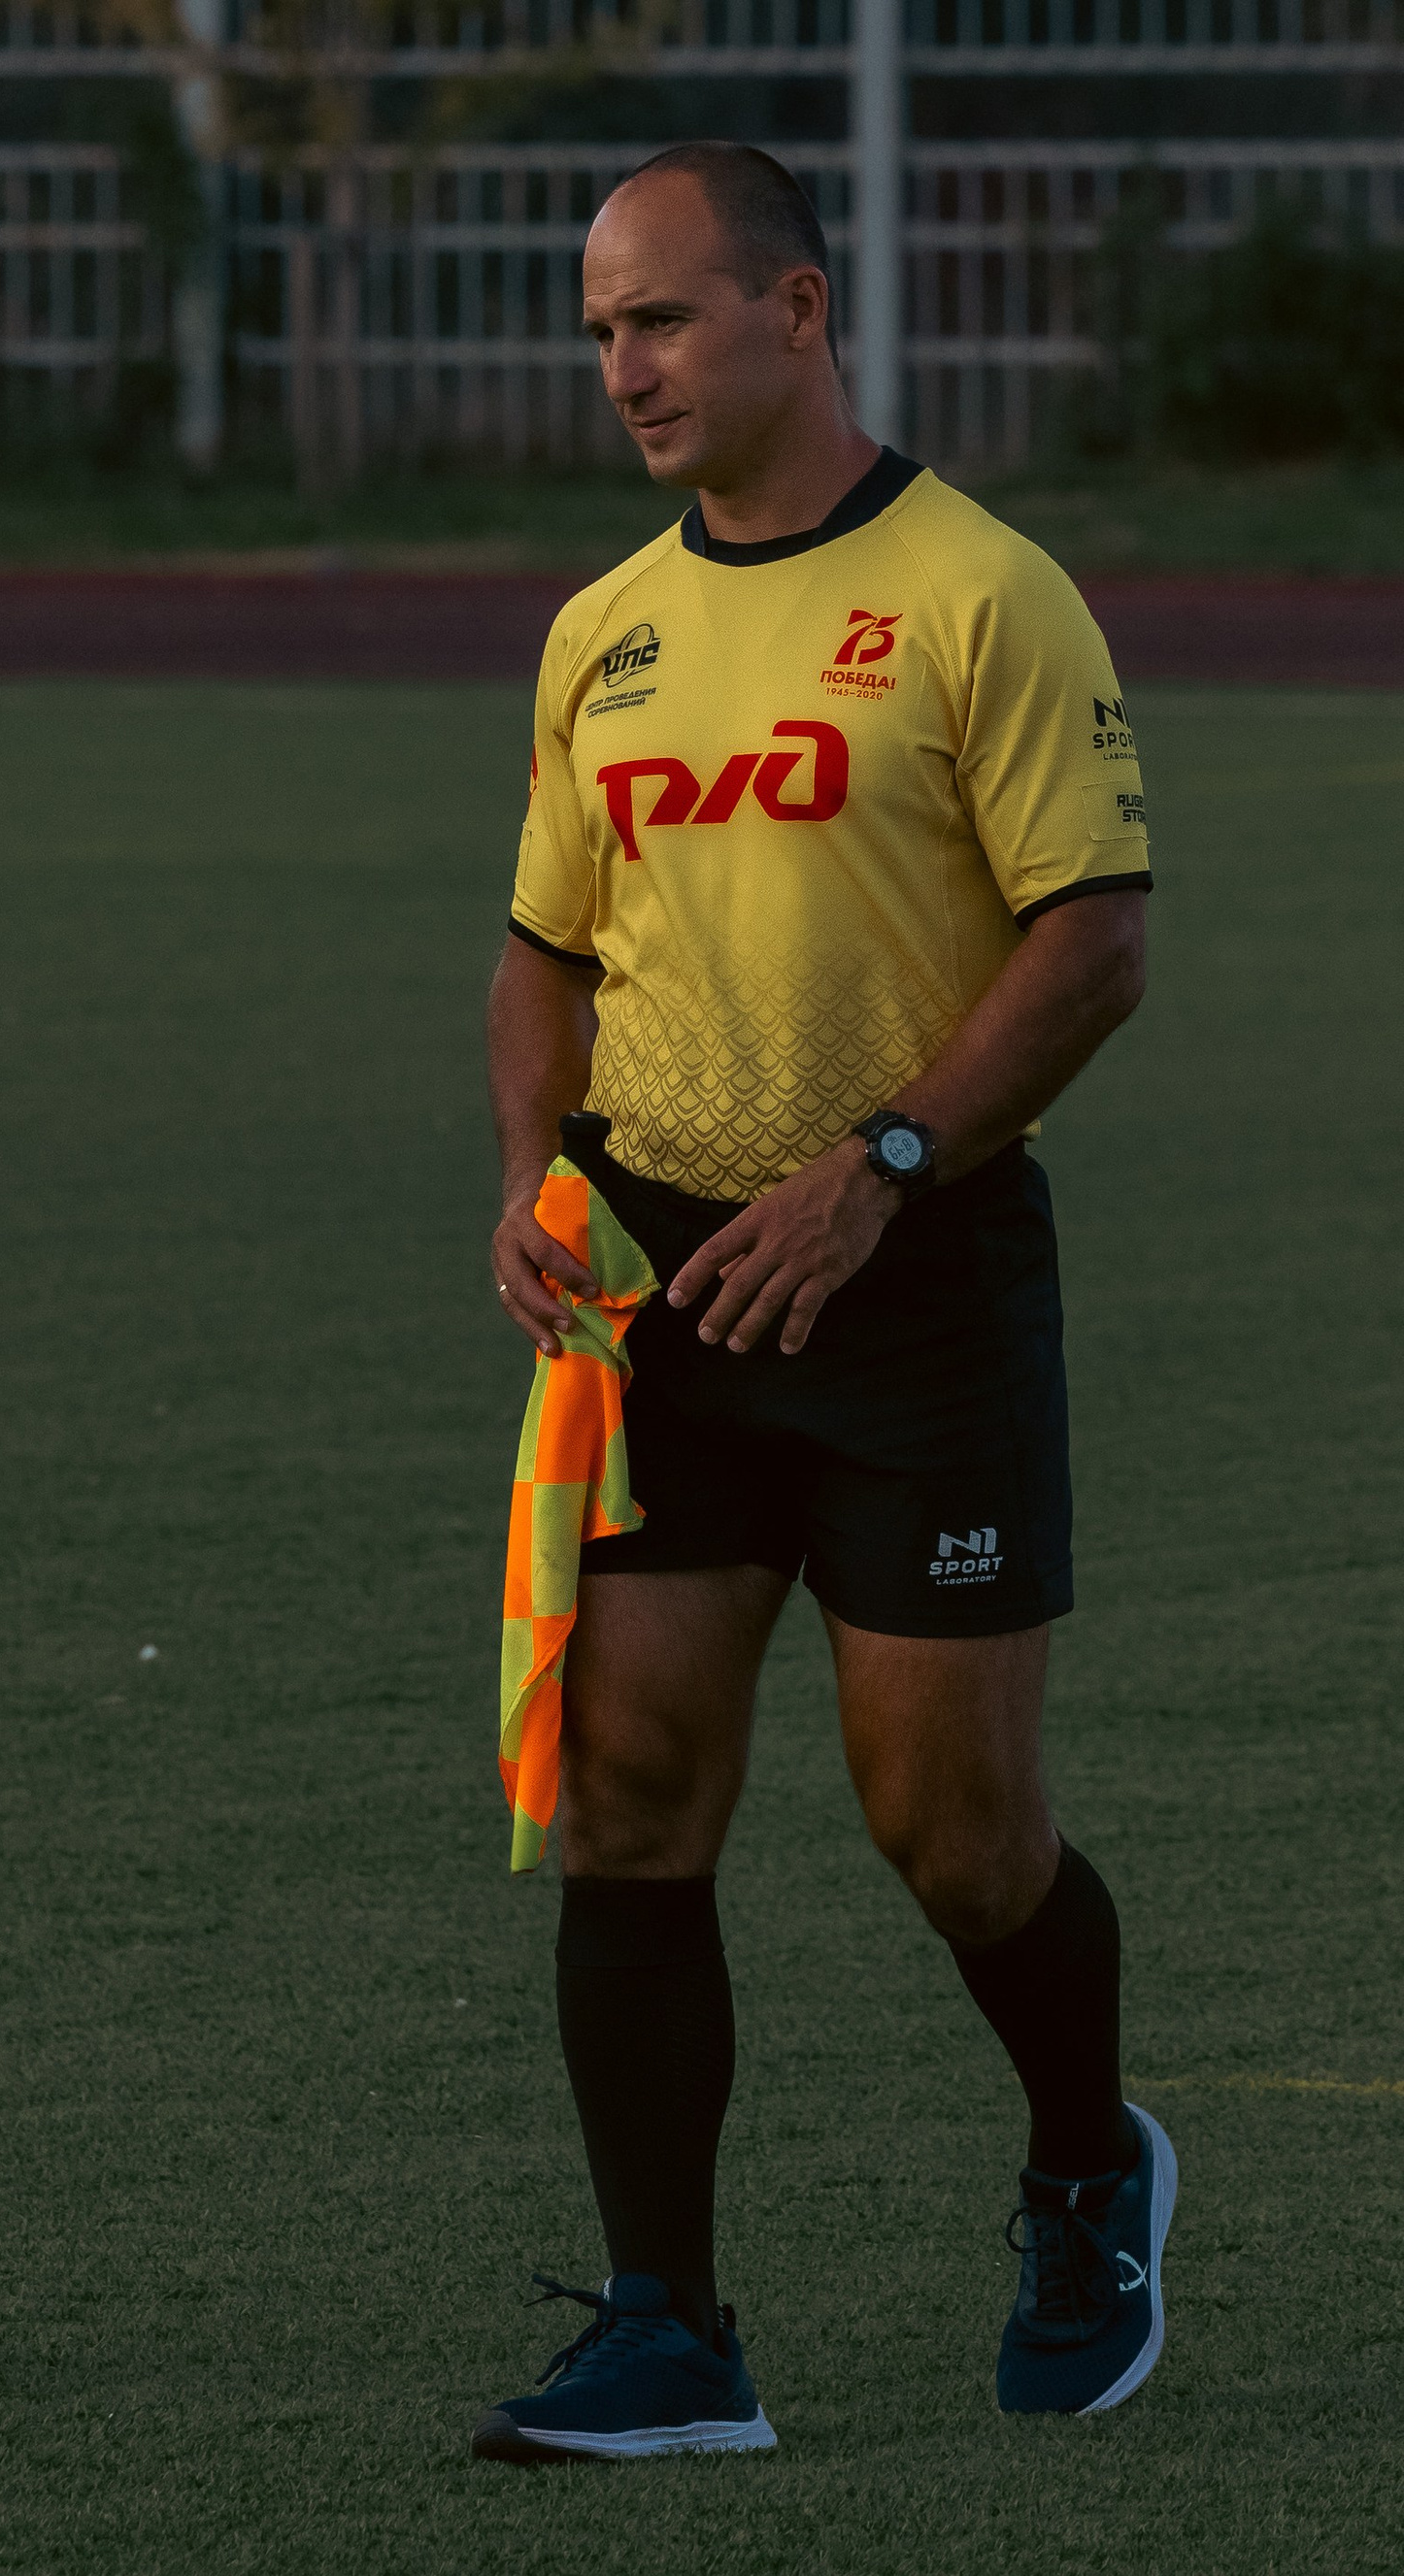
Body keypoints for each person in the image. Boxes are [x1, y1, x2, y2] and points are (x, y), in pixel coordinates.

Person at [471, 143, 1163, 2465]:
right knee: (627, 1792)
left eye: (656, 319)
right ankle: (667, 2323)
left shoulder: (979, 591)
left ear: (794, 306)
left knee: (946, 1828)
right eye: (594, 330)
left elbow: (1092, 937)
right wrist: (535, 1175)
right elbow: (543, 951)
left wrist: (879, 1166)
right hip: (662, 1285)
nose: (620, 369)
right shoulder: (600, 630)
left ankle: (1086, 2162)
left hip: (914, 1270)